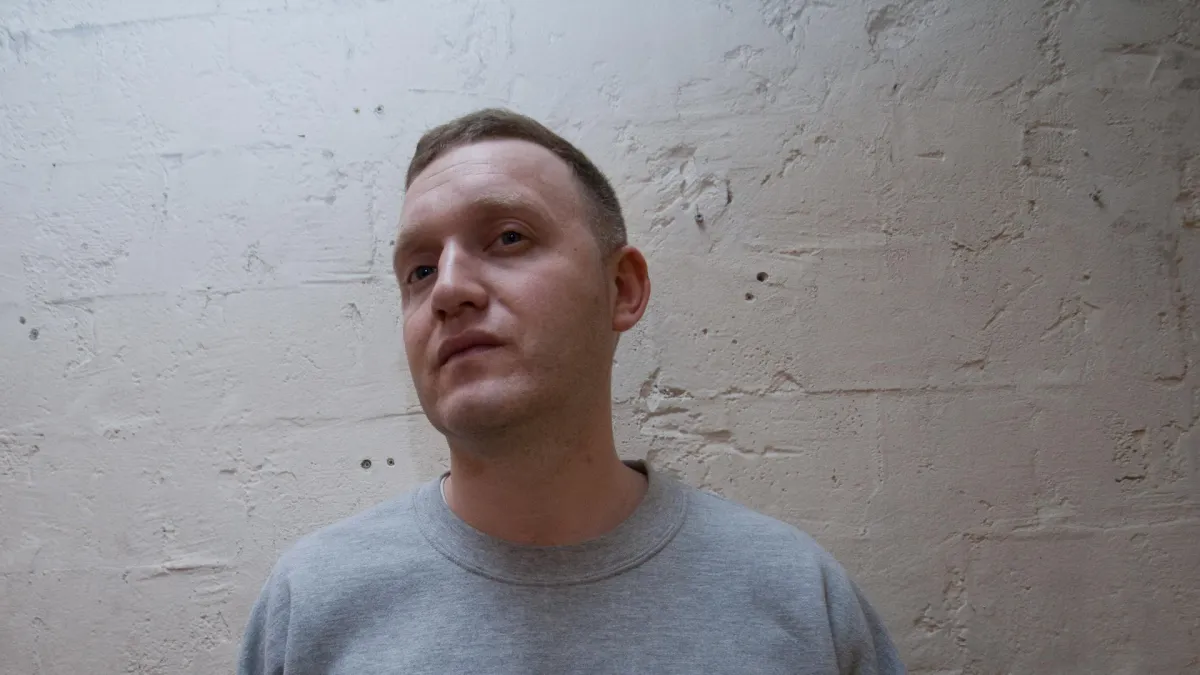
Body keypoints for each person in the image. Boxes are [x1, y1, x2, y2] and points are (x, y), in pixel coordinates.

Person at [237, 108, 905, 674]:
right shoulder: (312, 608)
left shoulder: (799, 599)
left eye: (508, 237)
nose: (448, 288)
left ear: (622, 289)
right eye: (419, 270)